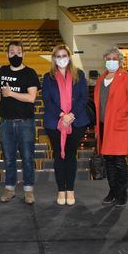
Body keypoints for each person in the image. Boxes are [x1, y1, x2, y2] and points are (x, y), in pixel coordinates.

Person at [42, 44, 90, 205]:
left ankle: (70, 190)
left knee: (70, 155)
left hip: (77, 121)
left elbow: (84, 97)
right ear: (54, 59)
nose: (61, 59)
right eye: (58, 56)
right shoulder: (47, 77)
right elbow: (47, 100)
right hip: (54, 122)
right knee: (58, 155)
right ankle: (61, 190)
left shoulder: (79, 74)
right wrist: (62, 115)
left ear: (69, 57)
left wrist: (71, 115)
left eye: (64, 55)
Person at [94, 47, 128, 207]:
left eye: (114, 58)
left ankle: (122, 193)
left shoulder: (127, 77)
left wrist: (124, 112)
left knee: (119, 160)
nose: (111, 61)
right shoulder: (101, 79)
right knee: (108, 160)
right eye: (108, 58)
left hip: (119, 124)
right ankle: (112, 191)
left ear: (120, 61)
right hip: (103, 125)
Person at [0, 41, 41, 205]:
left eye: (19, 52)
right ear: (7, 54)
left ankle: (29, 190)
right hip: (6, 123)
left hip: (25, 123)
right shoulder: (2, 70)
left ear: (24, 54)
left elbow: (31, 98)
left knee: (27, 158)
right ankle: (9, 189)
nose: (15, 55)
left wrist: (11, 93)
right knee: (9, 159)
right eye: (12, 52)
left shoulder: (30, 73)